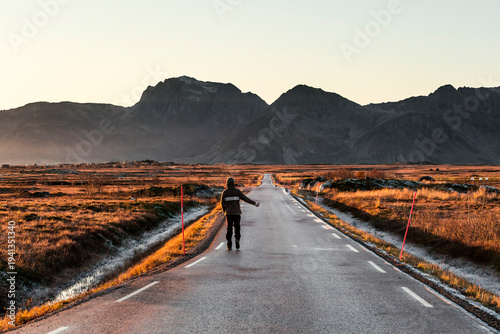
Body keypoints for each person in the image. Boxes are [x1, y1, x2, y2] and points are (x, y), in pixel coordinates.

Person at [221, 177, 260, 250]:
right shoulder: (237, 191)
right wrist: (255, 203)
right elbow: (245, 199)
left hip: (229, 214)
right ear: (233, 183)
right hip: (237, 213)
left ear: (227, 184)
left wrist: (225, 211)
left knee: (229, 229)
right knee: (237, 228)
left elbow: (222, 204)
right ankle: (237, 239)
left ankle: (229, 244)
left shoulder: (225, 192)